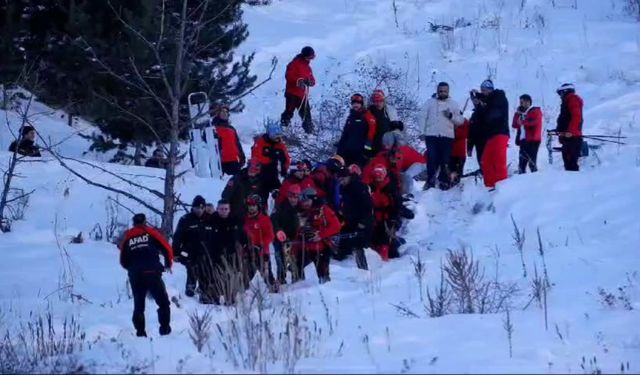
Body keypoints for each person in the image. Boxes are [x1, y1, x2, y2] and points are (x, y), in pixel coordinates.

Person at [119, 213, 172, 337]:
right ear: (145, 222)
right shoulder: (150, 232)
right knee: (163, 302)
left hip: (135, 275)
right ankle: (165, 330)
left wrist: (132, 269)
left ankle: (140, 333)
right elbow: (166, 247)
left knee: (139, 306)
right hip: (152, 273)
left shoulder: (128, 237)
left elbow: (123, 260)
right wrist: (168, 264)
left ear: (133, 223)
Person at [419, 82, 465, 190]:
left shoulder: (453, 104)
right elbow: (422, 116)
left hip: (447, 136)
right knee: (431, 159)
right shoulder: (429, 103)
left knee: (445, 160)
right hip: (431, 135)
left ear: (448, 92)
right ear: (437, 91)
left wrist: (451, 116)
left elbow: (460, 121)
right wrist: (422, 132)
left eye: (445, 91)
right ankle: (430, 181)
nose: (442, 93)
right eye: (440, 91)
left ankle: (444, 181)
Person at [293, 188, 341, 284]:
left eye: (307, 201)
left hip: (322, 247)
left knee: (322, 272)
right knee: (296, 266)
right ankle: (299, 286)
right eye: (303, 201)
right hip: (306, 246)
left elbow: (336, 226)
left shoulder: (324, 210)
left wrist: (321, 234)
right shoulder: (303, 212)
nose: (304, 203)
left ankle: (325, 289)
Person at [172, 195, 215, 300]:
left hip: (206, 253)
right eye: (197, 208)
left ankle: (204, 293)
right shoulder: (186, 219)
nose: (199, 210)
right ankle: (190, 292)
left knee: (205, 273)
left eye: (202, 208)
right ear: (193, 208)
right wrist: (176, 253)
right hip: (189, 252)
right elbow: (177, 237)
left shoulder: (210, 219)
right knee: (192, 270)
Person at [469, 79, 510, 189]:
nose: (483, 92)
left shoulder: (499, 96)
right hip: (491, 135)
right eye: (482, 90)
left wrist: (480, 102)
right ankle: (490, 187)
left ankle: (503, 188)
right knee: (486, 161)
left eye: (485, 90)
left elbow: (492, 111)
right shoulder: (488, 101)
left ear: (491, 89)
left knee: (499, 162)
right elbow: (480, 118)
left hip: (500, 132)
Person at [209, 199, 245, 305]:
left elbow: (242, 236)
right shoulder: (211, 221)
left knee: (232, 277)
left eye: (226, 209)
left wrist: (245, 246)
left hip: (232, 255)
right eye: (221, 209)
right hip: (216, 255)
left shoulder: (235, 221)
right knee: (218, 278)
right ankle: (216, 298)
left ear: (229, 210)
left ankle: (232, 298)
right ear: (217, 209)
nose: (224, 211)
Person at [336, 165, 373, 269]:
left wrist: (363, 222)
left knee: (359, 245)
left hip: (362, 222)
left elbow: (368, 206)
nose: (341, 181)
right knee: (344, 244)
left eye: (343, 178)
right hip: (350, 220)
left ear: (349, 176)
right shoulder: (343, 188)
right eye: (340, 179)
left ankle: (363, 269)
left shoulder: (359, 187)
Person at [243, 194, 276, 290]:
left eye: (253, 206)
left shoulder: (265, 219)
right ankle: (245, 290)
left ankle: (273, 288)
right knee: (248, 273)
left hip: (262, 251)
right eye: (250, 206)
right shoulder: (245, 219)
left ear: (258, 206)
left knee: (266, 273)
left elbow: (270, 236)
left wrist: (261, 244)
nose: (251, 208)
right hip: (249, 251)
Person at [369, 165, 401, 261]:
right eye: (376, 177)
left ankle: (384, 259)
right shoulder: (371, 187)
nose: (378, 180)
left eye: (379, 177)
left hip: (386, 218)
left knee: (385, 239)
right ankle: (374, 258)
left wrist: (393, 219)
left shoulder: (390, 189)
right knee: (373, 237)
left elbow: (396, 205)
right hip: (374, 216)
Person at [270, 184, 301, 284]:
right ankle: (281, 281)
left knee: (295, 261)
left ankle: (297, 281)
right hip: (280, 239)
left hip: (294, 240)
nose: (293, 200)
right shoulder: (280, 207)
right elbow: (273, 221)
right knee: (280, 261)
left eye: (296, 197)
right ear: (288, 196)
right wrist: (278, 231)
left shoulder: (300, 208)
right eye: (292, 197)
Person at [281, 46, 316, 134]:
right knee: (289, 112)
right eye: (310, 57)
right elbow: (289, 76)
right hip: (292, 93)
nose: (311, 59)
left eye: (312, 57)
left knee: (306, 115)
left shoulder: (308, 68)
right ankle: (282, 130)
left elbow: (312, 80)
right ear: (305, 56)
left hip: (302, 95)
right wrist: (299, 80)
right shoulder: (294, 64)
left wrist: (310, 82)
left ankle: (309, 133)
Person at [336, 93, 377, 167]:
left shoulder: (367, 116)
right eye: (354, 103)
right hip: (348, 152)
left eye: (357, 103)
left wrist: (366, 150)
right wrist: (340, 148)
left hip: (360, 153)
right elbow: (345, 134)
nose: (355, 105)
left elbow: (371, 133)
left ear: (361, 104)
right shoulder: (350, 117)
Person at [250, 122, 291, 194]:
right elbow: (255, 158)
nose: (277, 138)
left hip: (273, 172)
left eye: (279, 136)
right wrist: (270, 159)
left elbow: (286, 159)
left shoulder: (280, 145)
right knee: (260, 194)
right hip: (259, 173)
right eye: (275, 136)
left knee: (280, 192)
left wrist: (284, 169)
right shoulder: (260, 142)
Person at [555, 83, 583, 172]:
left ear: (565, 91)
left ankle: (575, 183)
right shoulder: (567, 101)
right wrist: (559, 130)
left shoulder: (572, 99)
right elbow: (565, 118)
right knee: (568, 164)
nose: (560, 96)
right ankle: (572, 183)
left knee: (571, 164)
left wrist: (571, 131)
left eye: (561, 93)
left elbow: (576, 116)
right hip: (568, 137)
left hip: (572, 137)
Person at [212, 104, 246, 176]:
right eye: (222, 111)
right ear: (218, 113)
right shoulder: (213, 128)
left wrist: (242, 156)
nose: (224, 113)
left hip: (233, 160)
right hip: (219, 162)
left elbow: (237, 143)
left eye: (226, 112)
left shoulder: (231, 129)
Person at [512, 94, 543, 173]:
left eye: (526, 101)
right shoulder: (522, 113)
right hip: (523, 140)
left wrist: (522, 122)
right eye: (522, 102)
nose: (524, 104)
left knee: (532, 162)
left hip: (533, 139)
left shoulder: (535, 111)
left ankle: (535, 180)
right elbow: (514, 125)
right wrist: (517, 114)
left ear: (530, 102)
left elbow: (534, 122)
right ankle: (522, 180)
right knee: (522, 163)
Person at [367, 89, 400, 154]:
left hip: (387, 146)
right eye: (375, 101)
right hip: (373, 146)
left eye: (380, 101)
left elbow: (395, 130)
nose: (378, 103)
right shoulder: (369, 112)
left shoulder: (389, 112)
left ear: (383, 101)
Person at [449, 116, 470, 186]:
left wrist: (455, 130)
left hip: (459, 153)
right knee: (450, 171)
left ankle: (458, 186)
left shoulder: (464, 122)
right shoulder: (449, 122)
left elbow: (465, 134)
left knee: (458, 172)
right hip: (450, 153)